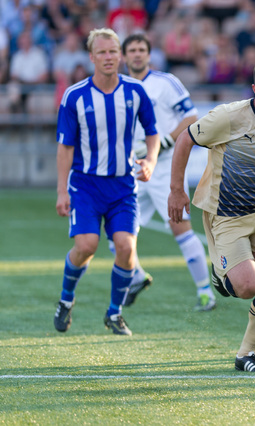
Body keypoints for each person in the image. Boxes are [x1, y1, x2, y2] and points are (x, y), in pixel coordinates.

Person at [168, 57, 255, 372]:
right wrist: (177, 190)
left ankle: (247, 354)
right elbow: (184, 139)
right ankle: (221, 275)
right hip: (225, 212)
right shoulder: (228, 118)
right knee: (247, 287)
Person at [53, 28, 160, 336]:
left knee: (126, 248)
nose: (109, 57)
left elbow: (152, 131)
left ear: (120, 55)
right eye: (102, 52)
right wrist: (62, 190)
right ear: (92, 57)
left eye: (113, 51)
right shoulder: (74, 95)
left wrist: (150, 161)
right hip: (85, 184)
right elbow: (65, 147)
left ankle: (114, 313)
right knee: (86, 246)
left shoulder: (135, 91)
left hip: (123, 186)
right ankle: (66, 299)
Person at [120, 32, 216, 311]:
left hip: (164, 169)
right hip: (131, 170)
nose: (137, 54)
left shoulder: (165, 83)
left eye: (142, 49)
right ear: (125, 57)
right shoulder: (119, 86)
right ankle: (136, 276)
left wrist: (165, 142)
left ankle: (204, 292)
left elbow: (191, 117)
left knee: (180, 229)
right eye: (132, 50)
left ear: (149, 55)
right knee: (118, 230)